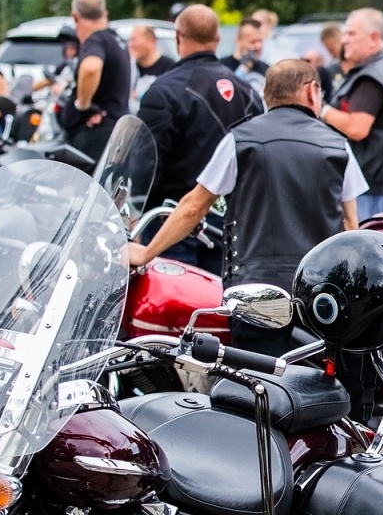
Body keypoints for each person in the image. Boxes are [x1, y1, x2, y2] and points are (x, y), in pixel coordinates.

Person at [128, 59, 365, 354]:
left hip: (254, 290)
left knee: (255, 379)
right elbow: (351, 227)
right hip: (318, 290)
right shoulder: (338, 146)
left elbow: (194, 206)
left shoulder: (239, 140)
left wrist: (147, 251)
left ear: (266, 95)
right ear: (311, 91)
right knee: (314, 376)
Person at [136, 4, 263, 271]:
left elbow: (147, 164)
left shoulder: (163, 91)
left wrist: (137, 216)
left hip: (172, 223)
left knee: (174, 308)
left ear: (178, 37)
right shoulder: (248, 92)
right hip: (231, 224)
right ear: (217, 40)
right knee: (217, 306)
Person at [320, 8, 383, 219]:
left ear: (374, 38)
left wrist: (321, 109)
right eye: (344, 33)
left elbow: (357, 128)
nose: (344, 40)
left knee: (361, 250)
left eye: (351, 34)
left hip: (370, 189)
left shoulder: (372, 77)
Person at [60, 0, 131, 160]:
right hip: (115, 130)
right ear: (105, 13)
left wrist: (83, 106)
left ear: (75, 17)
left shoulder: (95, 40)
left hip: (96, 133)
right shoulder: (117, 40)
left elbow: (91, 68)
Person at [128, 24, 176, 103]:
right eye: (130, 40)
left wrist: (140, 95)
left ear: (151, 41)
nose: (131, 44)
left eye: (134, 40)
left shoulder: (169, 66)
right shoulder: (130, 66)